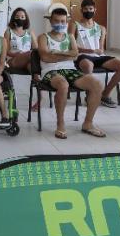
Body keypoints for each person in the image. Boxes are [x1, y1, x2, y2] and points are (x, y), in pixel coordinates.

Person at [37, 8, 106, 139]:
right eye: (56, 21)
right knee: (63, 85)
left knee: (97, 84)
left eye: (63, 21)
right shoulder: (43, 37)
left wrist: (56, 53)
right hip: (50, 71)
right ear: (51, 21)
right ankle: (60, 124)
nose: (60, 24)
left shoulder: (70, 37)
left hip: (70, 70)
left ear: (67, 21)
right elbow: (45, 58)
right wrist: (67, 55)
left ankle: (88, 123)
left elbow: (75, 55)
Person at [69, 0, 120, 108]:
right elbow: (72, 45)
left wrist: (100, 51)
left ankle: (105, 94)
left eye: (90, 9)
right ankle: (89, 94)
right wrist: (90, 51)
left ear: (95, 10)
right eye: (85, 9)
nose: (88, 11)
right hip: (82, 56)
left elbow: (101, 47)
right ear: (81, 11)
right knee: (87, 66)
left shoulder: (101, 28)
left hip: (98, 57)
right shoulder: (75, 25)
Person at [5, 7, 37, 73]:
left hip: (27, 59)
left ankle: (37, 81)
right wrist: (17, 54)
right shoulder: (8, 32)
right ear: (13, 18)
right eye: (17, 16)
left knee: (31, 66)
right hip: (13, 59)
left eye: (22, 17)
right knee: (31, 54)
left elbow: (36, 49)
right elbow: (6, 51)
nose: (20, 18)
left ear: (26, 19)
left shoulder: (30, 32)